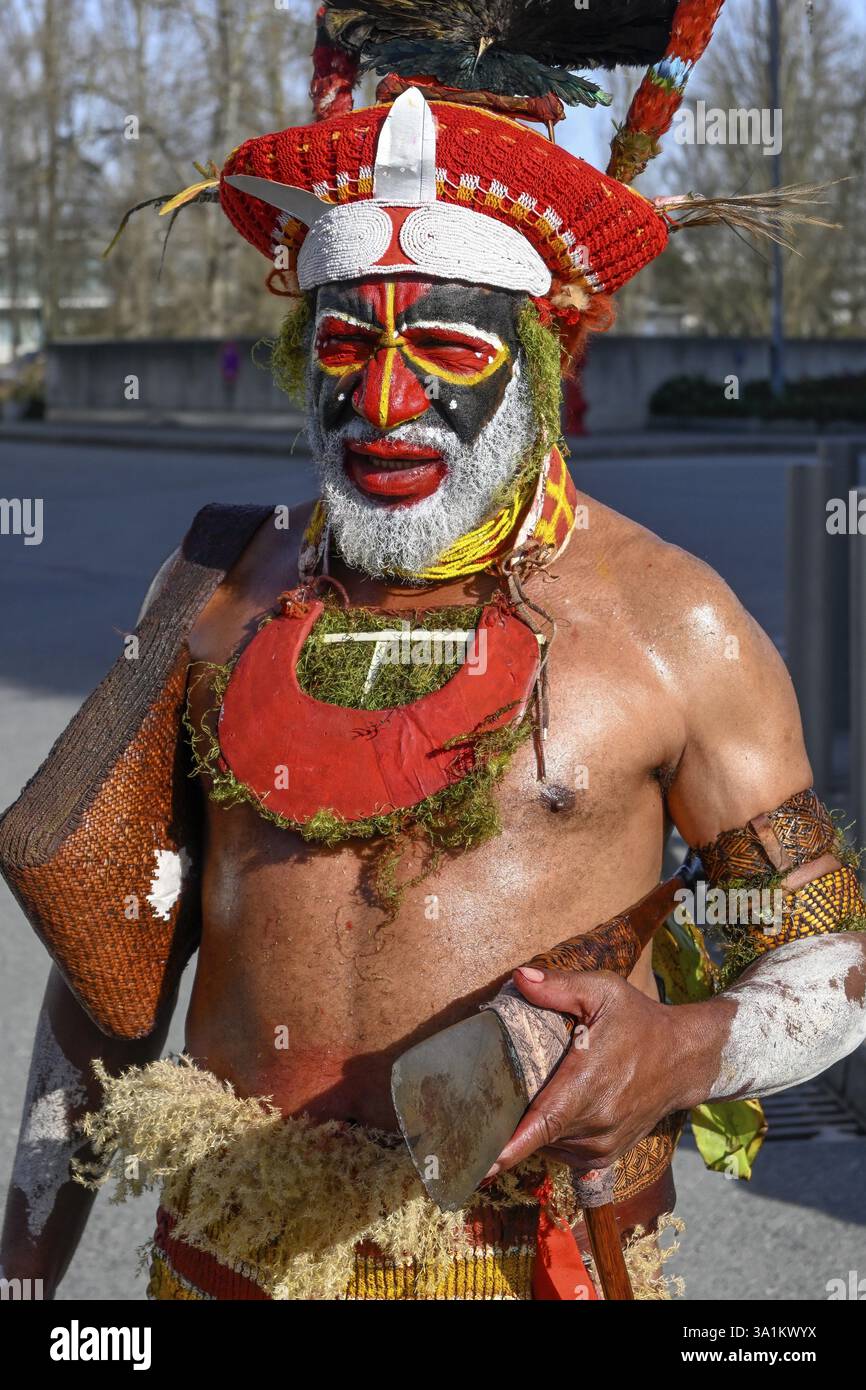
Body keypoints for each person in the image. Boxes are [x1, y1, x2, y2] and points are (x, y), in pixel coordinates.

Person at [2, 2, 864, 1302]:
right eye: (345, 346)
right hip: (227, 1251)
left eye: (448, 349)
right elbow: (104, 979)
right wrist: (24, 1272)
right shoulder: (221, 591)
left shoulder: (667, 617)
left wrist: (681, 1050)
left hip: (534, 1263)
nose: (385, 401)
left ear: (530, 361)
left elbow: (829, 960)